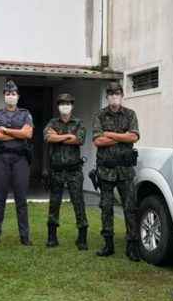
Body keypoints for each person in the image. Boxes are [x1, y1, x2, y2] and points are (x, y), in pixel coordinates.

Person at [92, 82, 142, 261]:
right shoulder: (99, 115)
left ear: (122, 96)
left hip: (125, 170)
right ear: (107, 97)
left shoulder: (130, 114)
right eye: (111, 94)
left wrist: (111, 135)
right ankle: (108, 244)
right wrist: (122, 137)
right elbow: (98, 141)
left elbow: (134, 137)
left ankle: (133, 246)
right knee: (106, 207)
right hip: (106, 169)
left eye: (117, 94)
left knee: (130, 207)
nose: (114, 97)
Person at [0, 80, 34, 246]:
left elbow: (28, 134)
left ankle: (24, 236)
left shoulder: (25, 114)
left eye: (13, 94)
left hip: (20, 160)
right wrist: (17, 134)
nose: (11, 96)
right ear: (4, 96)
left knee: (21, 199)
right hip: (1, 159)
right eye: (8, 94)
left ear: (18, 96)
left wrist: (6, 130)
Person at [44, 93, 88, 250]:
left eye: (68, 103)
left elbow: (79, 140)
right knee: (54, 204)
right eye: (62, 103)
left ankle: (82, 238)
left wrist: (60, 136)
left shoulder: (79, 122)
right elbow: (48, 138)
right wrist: (68, 136)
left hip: (74, 170)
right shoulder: (52, 122)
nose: (65, 105)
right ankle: (52, 237)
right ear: (58, 106)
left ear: (72, 105)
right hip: (56, 170)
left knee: (78, 203)